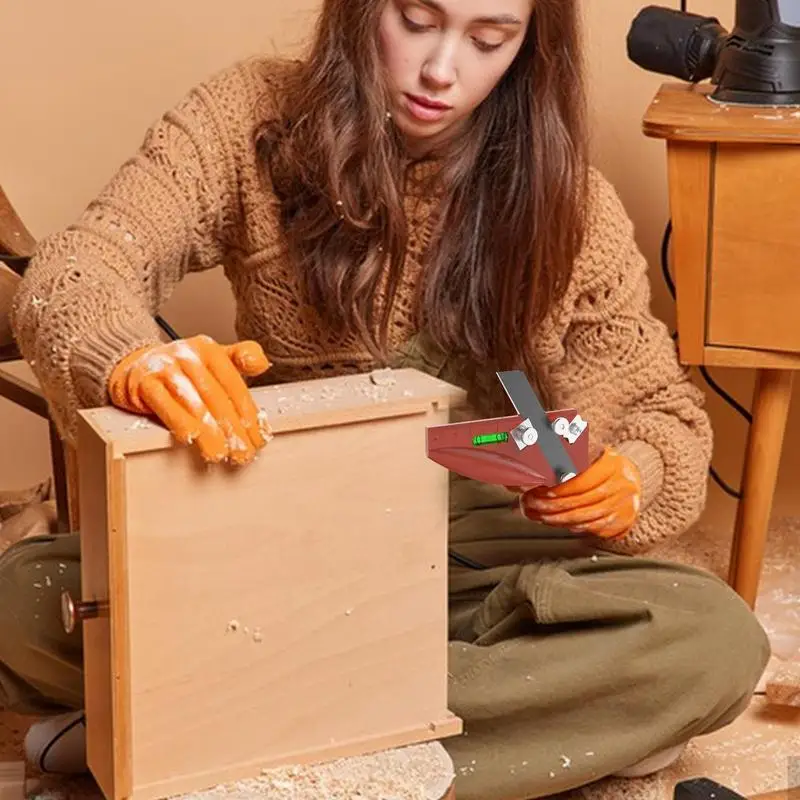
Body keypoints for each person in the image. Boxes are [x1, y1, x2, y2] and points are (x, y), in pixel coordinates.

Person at [1, 0, 770, 797]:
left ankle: (215, 732)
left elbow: (660, 411)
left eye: (487, 40)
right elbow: (76, 270)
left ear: (527, 49)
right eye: (416, 19)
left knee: (713, 642)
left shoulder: (569, 198)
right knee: (22, 601)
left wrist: (634, 473)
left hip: (474, 545)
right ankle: (534, 725)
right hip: (275, 529)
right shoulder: (245, 117)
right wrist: (128, 356)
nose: (443, 71)